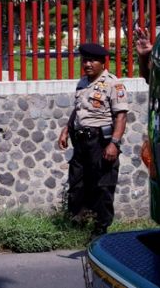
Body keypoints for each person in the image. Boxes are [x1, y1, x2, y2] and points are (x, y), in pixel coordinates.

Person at [58, 43, 128, 236]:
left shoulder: (114, 84)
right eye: (85, 60)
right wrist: (66, 129)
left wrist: (114, 143)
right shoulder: (82, 83)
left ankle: (100, 229)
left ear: (102, 62)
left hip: (100, 141)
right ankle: (79, 225)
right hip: (80, 141)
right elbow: (78, 109)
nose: (87, 64)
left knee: (102, 186)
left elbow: (121, 116)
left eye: (92, 61)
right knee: (77, 183)